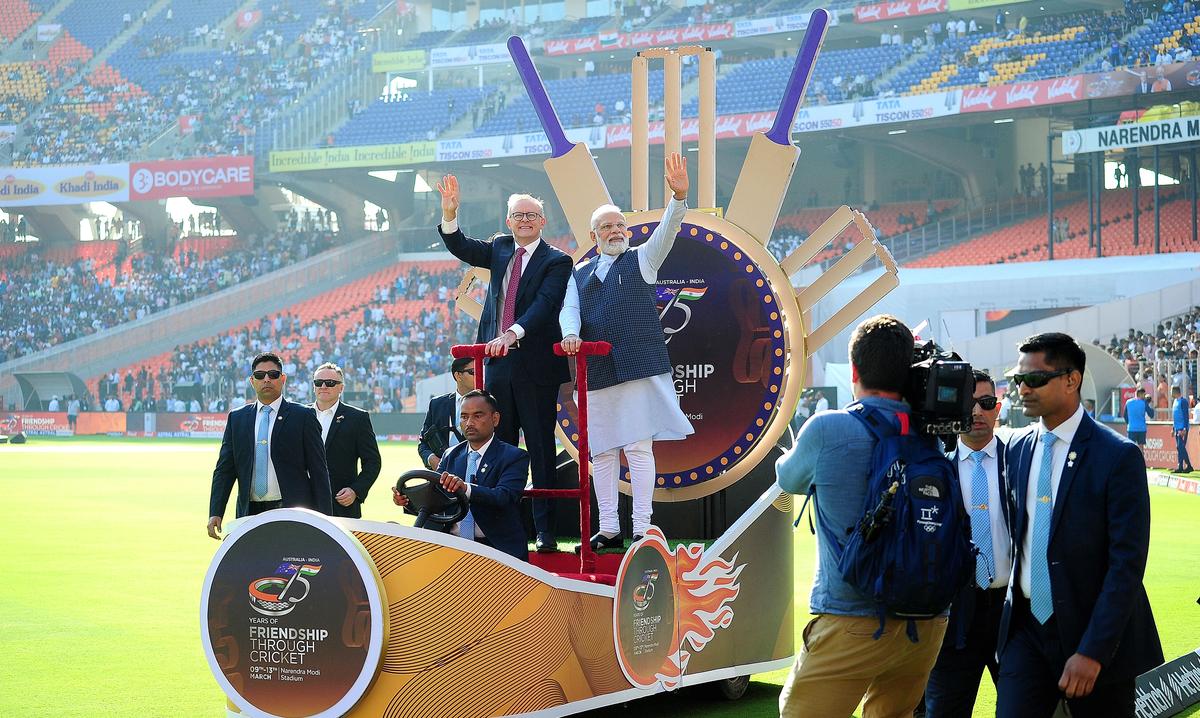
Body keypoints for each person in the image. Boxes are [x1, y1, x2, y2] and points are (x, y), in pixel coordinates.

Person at [776, 315, 946, 717]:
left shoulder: (827, 429)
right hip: (926, 622)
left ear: (854, 370)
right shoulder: (930, 432)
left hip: (851, 616)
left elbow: (788, 478)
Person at [996, 333, 1163, 717]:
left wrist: (1093, 651)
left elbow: (1127, 565)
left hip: (1095, 638)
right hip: (1026, 634)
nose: (1022, 388)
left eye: (1034, 379)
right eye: (1018, 379)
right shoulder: (1017, 448)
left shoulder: (1118, 456)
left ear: (1071, 380)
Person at [559, 153, 694, 549]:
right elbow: (569, 310)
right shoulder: (578, 273)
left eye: (620, 224)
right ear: (594, 234)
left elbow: (667, 232)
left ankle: (641, 525)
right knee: (601, 451)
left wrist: (679, 198)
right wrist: (570, 336)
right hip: (597, 370)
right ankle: (609, 527)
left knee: (637, 446)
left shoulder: (643, 260)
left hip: (638, 365)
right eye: (606, 226)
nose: (616, 230)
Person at [436, 175, 571, 553]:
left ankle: (545, 531)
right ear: (508, 221)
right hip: (497, 367)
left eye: (532, 215)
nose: (524, 220)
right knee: (499, 450)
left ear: (543, 221)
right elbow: (461, 246)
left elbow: (545, 306)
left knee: (542, 450)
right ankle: (498, 526)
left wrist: (512, 333)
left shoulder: (558, 260)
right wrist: (450, 215)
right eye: (517, 215)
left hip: (536, 366)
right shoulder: (498, 248)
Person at [924, 371, 1009, 718]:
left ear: (998, 408)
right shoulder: (933, 472)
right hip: (953, 618)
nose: (977, 412)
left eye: (986, 403)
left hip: (1012, 615)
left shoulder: (1020, 462)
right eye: (968, 403)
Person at [207, 352, 332, 539]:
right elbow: (225, 469)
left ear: (282, 379)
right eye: (260, 375)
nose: (266, 379)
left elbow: (318, 470)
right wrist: (215, 511)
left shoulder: (303, 416)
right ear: (252, 381)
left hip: (292, 513)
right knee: (253, 567)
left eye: (273, 375)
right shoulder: (237, 418)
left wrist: (326, 520)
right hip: (249, 514)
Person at [393, 391, 529, 561]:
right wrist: (407, 500)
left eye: (477, 416)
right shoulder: (451, 454)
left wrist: (466, 488)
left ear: (495, 419)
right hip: (450, 545)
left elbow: (505, 496)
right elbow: (435, 496)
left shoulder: (514, 456)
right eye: (464, 417)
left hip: (496, 548)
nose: (469, 423)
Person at [311, 362, 381, 519]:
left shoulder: (357, 418)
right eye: (318, 382)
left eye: (330, 383)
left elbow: (372, 462)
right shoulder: (300, 415)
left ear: (341, 388)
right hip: (305, 505)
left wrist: (355, 490)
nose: (324, 386)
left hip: (341, 505)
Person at [417, 357, 475, 471]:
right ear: (458, 376)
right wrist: (432, 459)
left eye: (481, 370)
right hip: (443, 479)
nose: (480, 375)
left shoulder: (490, 403)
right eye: (473, 372)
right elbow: (423, 443)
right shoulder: (436, 404)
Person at [1172, 387, 1194, 473]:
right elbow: (1175, 416)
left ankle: (1187, 465)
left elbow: (1185, 415)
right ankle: (1181, 466)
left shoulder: (1183, 401)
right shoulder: (1175, 402)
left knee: (1181, 446)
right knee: (1179, 447)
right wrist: (1173, 428)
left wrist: (1184, 428)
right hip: (1177, 428)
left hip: (1182, 428)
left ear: (1175, 392)